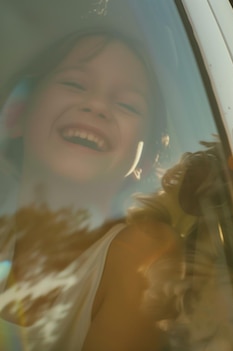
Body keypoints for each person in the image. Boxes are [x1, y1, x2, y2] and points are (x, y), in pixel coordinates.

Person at [0, 29, 179, 350]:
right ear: (17, 114)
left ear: (147, 161)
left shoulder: (139, 255)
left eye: (127, 104)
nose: (96, 105)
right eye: (73, 84)